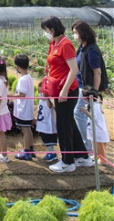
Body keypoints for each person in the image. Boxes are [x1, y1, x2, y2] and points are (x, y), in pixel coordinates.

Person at [41, 16, 93, 173]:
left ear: (53, 29)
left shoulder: (65, 44)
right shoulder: (54, 43)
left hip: (67, 90)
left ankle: (67, 162)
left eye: (46, 30)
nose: (45, 33)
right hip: (57, 88)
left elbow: (74, 69)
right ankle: (83, 157)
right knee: (68, 122)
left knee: (63, 126)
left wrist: (65, 90)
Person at [72, 21, 108, 154]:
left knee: (79, 113)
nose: (74, 35)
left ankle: (86, 147)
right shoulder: (82, 48)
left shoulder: (92, 50)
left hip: (87, 89)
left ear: (83, 33)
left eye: (75, 32)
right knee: (83, 115)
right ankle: (87, 145)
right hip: (80, 86)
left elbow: (97, 72)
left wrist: (94, 93)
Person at [9, 54, 35, 161]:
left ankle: (27, 151)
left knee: (25, 129)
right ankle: (31, 149)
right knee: (27, 129)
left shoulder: (22, 80)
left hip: (23, 109)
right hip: (27, 109)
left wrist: (10, 96)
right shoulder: (29, 77)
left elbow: (22, 94)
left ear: (18, 67)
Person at [80, 86, 110, 166]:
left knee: (100, 147)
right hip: (96, 129)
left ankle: (103, 160)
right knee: (95, 145)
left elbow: (94, 118)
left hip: (98, 130)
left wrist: (85, 112)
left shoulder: (95, 106)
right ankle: (96, 157)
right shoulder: (93, 104)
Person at [35, 82, 58, 162]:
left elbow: (50, 105)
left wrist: (47, 96)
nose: (40, 94)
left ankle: (52, 153)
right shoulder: (41, 100)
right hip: (42, 124)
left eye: (42, 92)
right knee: (44, 138)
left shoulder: (47, 101)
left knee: (49, 139)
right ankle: (50, 152)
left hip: (48, 125)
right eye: (39, 92)